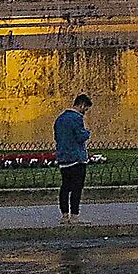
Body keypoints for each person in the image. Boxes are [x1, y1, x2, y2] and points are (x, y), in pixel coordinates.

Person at [53, 93, 92, 225]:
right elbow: (80, 136)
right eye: (85, 109)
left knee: (65, 187)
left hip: (63, 157)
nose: (85, 112)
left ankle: (64, 215)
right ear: (81, 105)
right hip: (76, 158)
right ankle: (74, 216)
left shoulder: (60, 119)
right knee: (76, 188)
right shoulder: (76, 118)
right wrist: (88, 133)